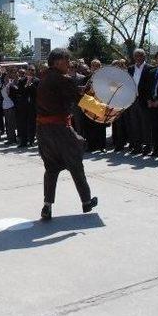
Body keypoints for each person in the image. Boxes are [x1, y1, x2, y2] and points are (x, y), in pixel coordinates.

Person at [36, 48, 98, 220]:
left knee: (51, 168)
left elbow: (63, 92)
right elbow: (79, 100)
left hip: (43, 131)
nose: (69, 63)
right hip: (60, 130)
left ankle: (47, 206)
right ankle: (86, 201)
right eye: (67, 60)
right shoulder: (64, 79)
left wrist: (79, 88)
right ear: (57, 62)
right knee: (76, 164)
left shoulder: (45, 77)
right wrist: (103, 110)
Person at [127, 48, 153, 155]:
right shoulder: (130, 69)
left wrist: (150, 99)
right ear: (134, 57)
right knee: (135, 124)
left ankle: (148, 146)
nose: (138, 58)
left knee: (146, 124)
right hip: (133, 100)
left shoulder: (150, 68)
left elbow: (151, 86)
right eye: (136, 56)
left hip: (145, 101)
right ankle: (137, 146)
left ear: (144, 56)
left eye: (140, 55)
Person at [0, 71, 17, 145]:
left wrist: (11, 87)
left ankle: (13, 139)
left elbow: (15, 91)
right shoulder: (2, 85)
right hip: (5, 105)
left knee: (11, 123)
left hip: (11, 105)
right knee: (7, 123)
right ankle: (9, 138)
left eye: (7, 77)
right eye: (5, 77)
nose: (6, 78)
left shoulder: (11, 84)